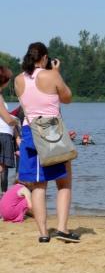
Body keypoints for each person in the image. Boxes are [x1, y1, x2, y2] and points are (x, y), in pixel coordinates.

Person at [14, 42, 78, 243]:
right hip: (51, 130)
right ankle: (62, 229)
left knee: (38, 186)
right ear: (44, 58)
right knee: (64, 182)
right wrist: (56, 72)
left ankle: (43, 233)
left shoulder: (18, 80)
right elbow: (67, 98)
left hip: (30, 130)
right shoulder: (51, 75)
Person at [0, 66, 20, 195]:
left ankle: (4, 196)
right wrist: (17, 121)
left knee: (2, 168)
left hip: (4, 134)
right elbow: (8, 119)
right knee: (2, 168)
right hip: (3, 135)